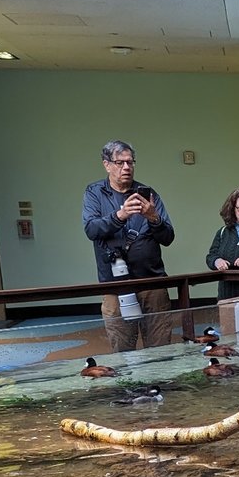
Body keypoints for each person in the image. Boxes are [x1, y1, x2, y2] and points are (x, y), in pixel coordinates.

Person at [83, 140, 175, 351]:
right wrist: (120, 215)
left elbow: (168, 237)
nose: (126, 167)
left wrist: (153, 217)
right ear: (106, 164)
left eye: (130, 162)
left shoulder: (149, 194)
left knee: (161, 349)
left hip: (152, 283)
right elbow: (91, 230)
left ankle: (161, 385)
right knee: (123, 350)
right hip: (115, 287)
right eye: (120, 162)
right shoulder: (94, 193)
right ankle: (128, 386)